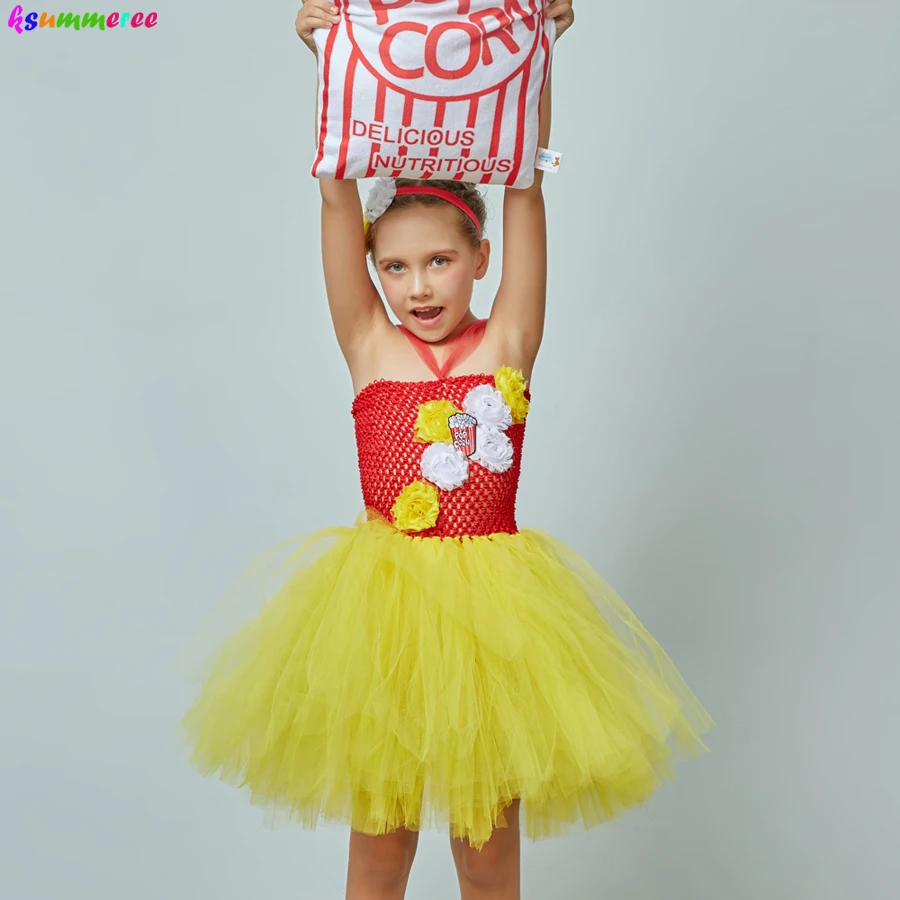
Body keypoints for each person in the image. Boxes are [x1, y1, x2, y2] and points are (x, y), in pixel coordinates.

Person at [177, 2, 715, 899]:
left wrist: (540, 61)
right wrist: (324, 54)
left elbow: (528, 186)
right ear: (371, 268)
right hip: (381, 625)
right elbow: (332, 187)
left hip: (498, 630)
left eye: (438, 262)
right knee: (380, 848)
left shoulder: (510, 341)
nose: (416, 286)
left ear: (480, 259)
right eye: (394, 266)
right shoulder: (369, 345)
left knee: (487, 850)